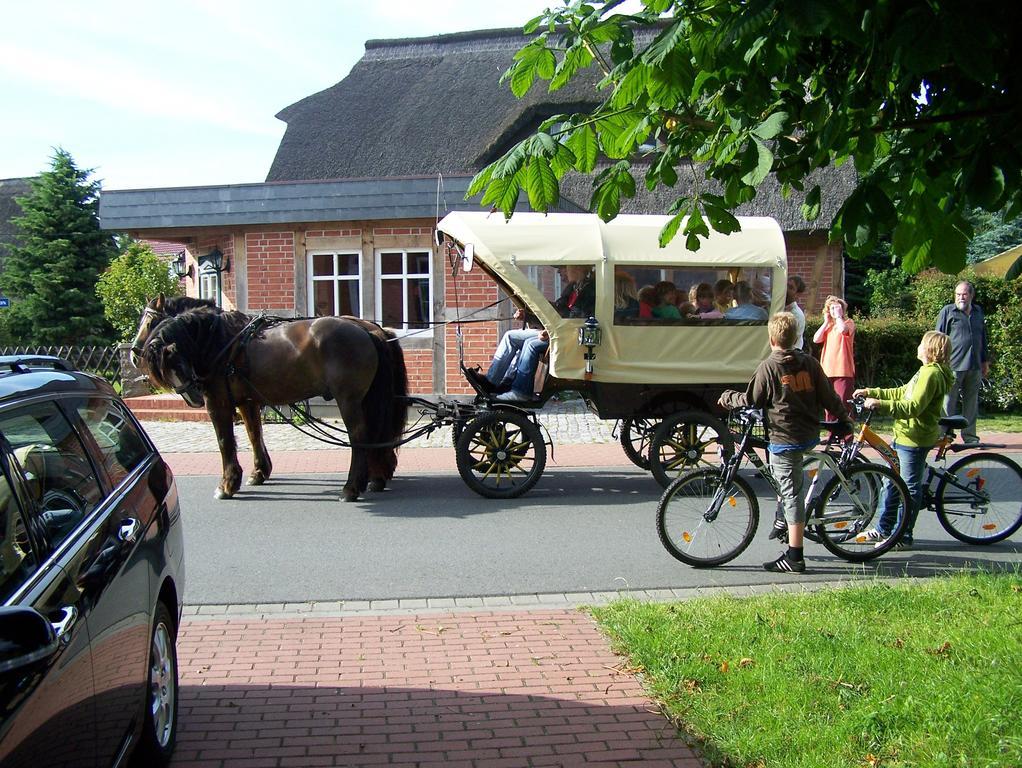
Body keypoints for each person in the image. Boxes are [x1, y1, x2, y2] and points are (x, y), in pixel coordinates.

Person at [719, 312, 849, 574]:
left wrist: (727, 398)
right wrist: (845, 419)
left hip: (784, 438)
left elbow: (751, 400)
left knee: (791, 495)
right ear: (796, 337)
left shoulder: (769, 367)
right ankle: (782, 519)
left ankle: (795, 557)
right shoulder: (811, 363)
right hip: (808, 435)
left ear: (771, 338)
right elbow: (828, 396)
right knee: (786, 480)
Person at [853, 331, 953, 549]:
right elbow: (902, 392)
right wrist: (872, 392)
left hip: (914, 439)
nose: (918, 347)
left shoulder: (931, 375)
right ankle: (883, 529)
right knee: (890, 482)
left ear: (930, 350)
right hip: (904, 435)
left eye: (921, 344)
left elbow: (913, 407)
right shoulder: (925, 371)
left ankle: (903, 535)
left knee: (908, 488)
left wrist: (880, 404)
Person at [467, 265, 595, 403]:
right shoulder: (572, 288)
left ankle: (521, 392)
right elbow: (555, 312)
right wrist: (527, 316)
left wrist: (550, 331)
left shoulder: (589, 290)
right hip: (557, 332)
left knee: (531, 344)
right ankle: (492, 382)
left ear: (578, 269)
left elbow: (578, 320)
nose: (559, 272)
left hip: (569, 337)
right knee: (510, 337)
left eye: (563, 268)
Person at [935, 281, 988, 445]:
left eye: (964, 294)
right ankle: (943, 435)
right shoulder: (947, 311)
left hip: (974, 365)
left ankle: (970, 437)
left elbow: (983, 338)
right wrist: (938, 362)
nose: (961, 297)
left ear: (971, 295)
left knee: (971, 403)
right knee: (947, 402)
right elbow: (938, 337)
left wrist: (985, 361)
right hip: (952, 365)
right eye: (958, 294)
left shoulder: (979, 312)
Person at [813, 295, 855, 420]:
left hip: (843, 371)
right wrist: (826, 321)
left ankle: (846, 436)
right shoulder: (828, 327)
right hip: (827, 371)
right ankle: (832, 434)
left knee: (843, 404)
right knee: (829, 404)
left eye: (837, 308)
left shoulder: (849, 323)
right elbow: (816, 339)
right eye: (832, 308)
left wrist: (838, 316)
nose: (835, 311)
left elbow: (843, 330)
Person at [785, 275, 807, 349]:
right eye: (786, 285)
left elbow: (789, 341)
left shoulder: (796, 315)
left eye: (791, 288)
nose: (786, 289)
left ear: (797, 295)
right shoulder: (779, 307)